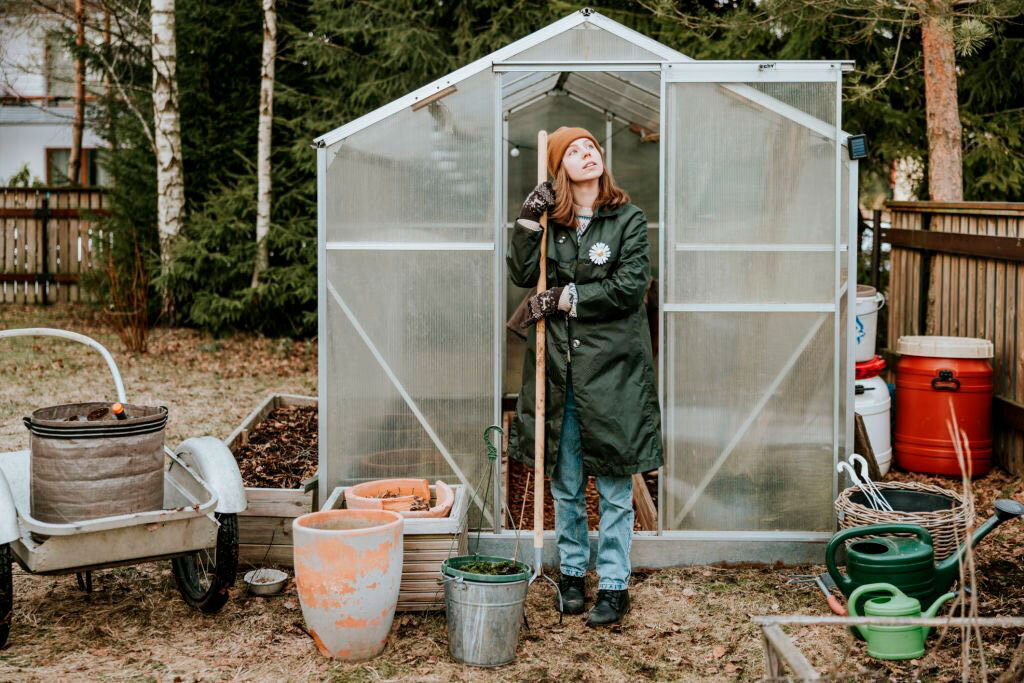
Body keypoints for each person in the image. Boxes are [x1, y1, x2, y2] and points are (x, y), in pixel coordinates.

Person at [507, 126, 663, 626]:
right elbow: (521, 272)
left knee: (616, 485)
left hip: (613, 370)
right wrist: (529, 219)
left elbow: (630, 285)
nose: (586, 155)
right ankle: (573, 574)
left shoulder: (627, 219)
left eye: (591, 148)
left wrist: (568, 298)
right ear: (560, 169)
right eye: (573, 151)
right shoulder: (552, 223)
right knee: (567, 482)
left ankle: (614, 582)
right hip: (560, 371)